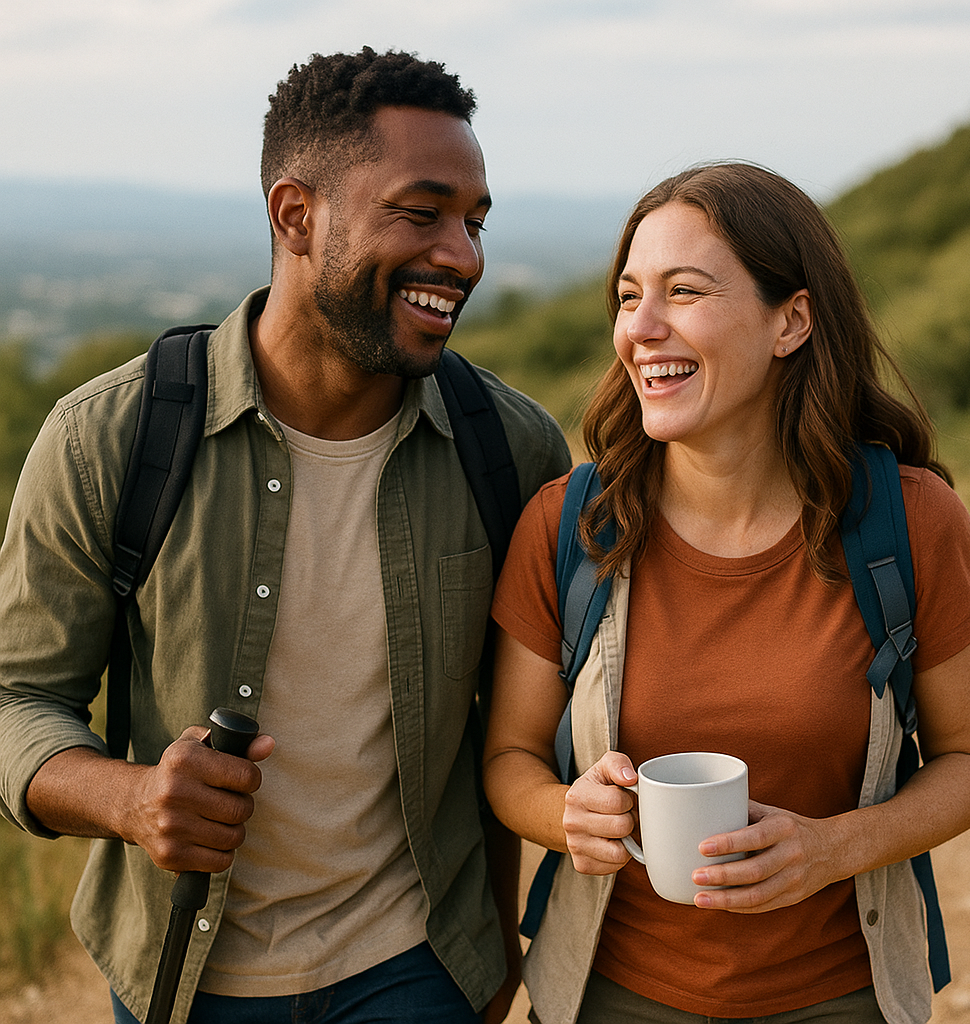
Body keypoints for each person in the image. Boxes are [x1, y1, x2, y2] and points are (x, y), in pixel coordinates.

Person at [0, 48, 570, 1024]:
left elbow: (525, 721)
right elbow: (17, 695)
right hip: (184, 976)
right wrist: (134, 800)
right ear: (295, 215)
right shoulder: (110, 437)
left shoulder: (510, 449)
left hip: (417, 967)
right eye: (421, 211)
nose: (463, 255)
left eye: (475, 223)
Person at [482, 162, 970, 1024]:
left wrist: (834, 847)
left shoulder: (910, 522)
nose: (641, 328)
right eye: (627, 296)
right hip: (607, 997)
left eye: (683, 292)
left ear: (791, 320)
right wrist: (564, 812)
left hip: (843, 998)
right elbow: (508, 762)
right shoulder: (569, 526)